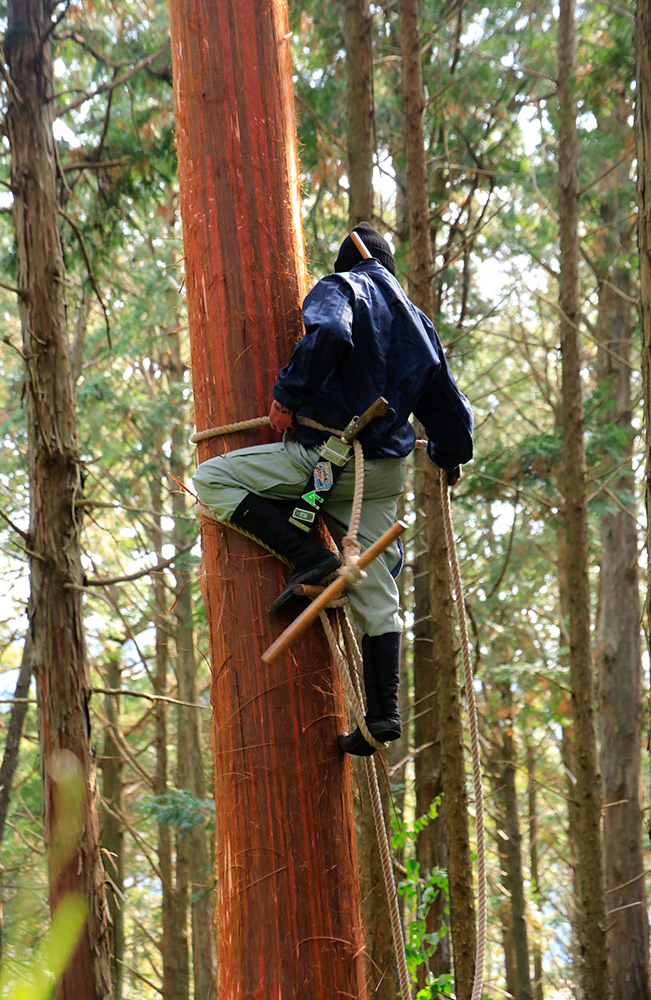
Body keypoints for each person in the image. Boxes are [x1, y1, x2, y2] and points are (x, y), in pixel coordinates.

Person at [192, 222, 473, 756]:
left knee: (211, 480)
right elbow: (452, 411)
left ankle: (307, 555)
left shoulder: (342, 287)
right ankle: (382, 717)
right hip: (382, 474)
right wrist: (448, 457)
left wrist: (288, 395)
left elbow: (333, 334)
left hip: (322, 457)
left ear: (350, 261)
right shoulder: (419, 324)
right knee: (376, 594)